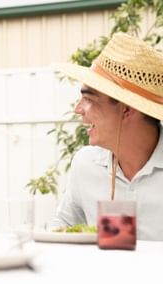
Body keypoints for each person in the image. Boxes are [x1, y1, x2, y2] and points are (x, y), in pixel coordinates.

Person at [51, 33, 163, 241]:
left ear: (127, 110)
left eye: (88, 99)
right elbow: (62, 230)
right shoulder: (85, 164)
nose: (78, 109)